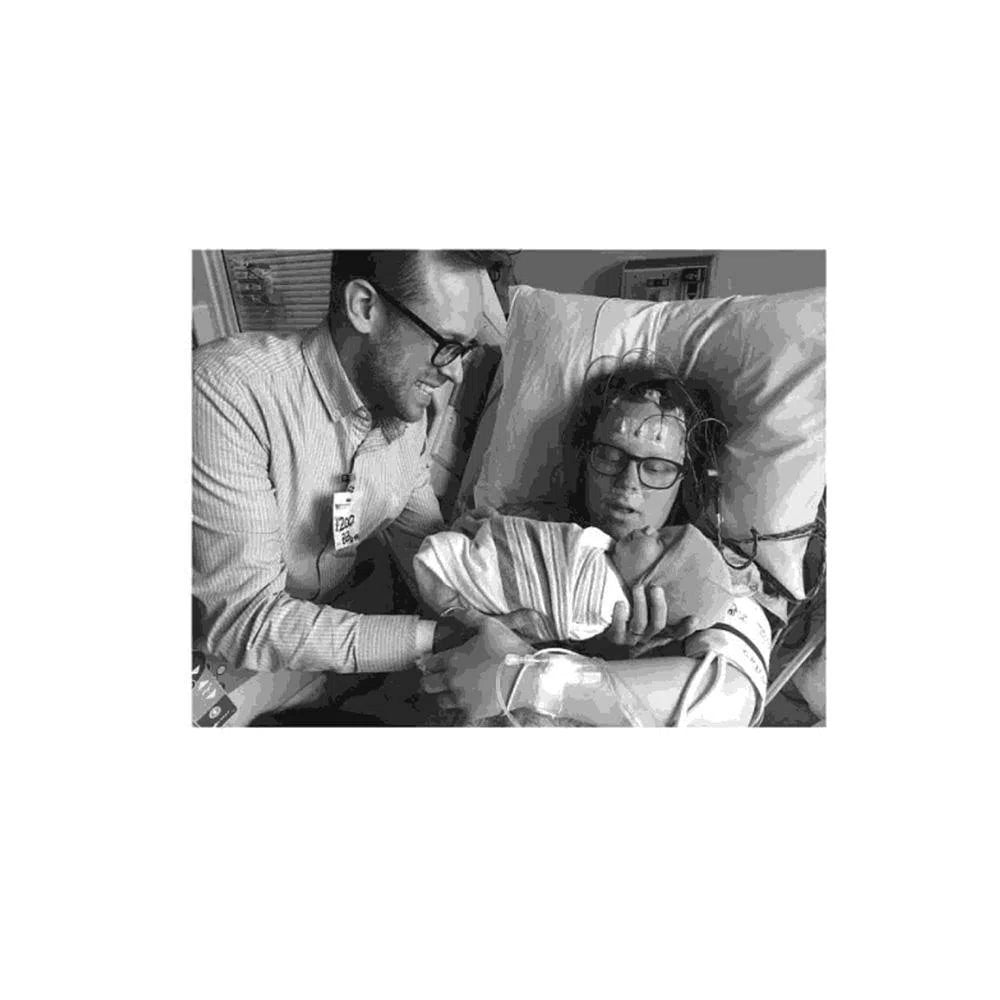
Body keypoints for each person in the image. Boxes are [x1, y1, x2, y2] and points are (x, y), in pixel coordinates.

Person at [192, 250, 511, 726]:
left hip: (340, 633)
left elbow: (421, 542)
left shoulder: (409, 414)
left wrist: (486, 595)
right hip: (230, 651)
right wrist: (439, 637)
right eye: (446, 345)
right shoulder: (226, 393)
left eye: (463, 351)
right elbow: (245, 620)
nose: (455, 372)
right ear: (364, 307)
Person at [418, 361, 783, 726]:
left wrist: (529, 679)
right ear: (586, 459)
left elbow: (730, 702)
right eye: (610, 456)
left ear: (684, 480)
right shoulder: (527, 528)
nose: (628, 482)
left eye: (657, 467)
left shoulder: (713, 574)